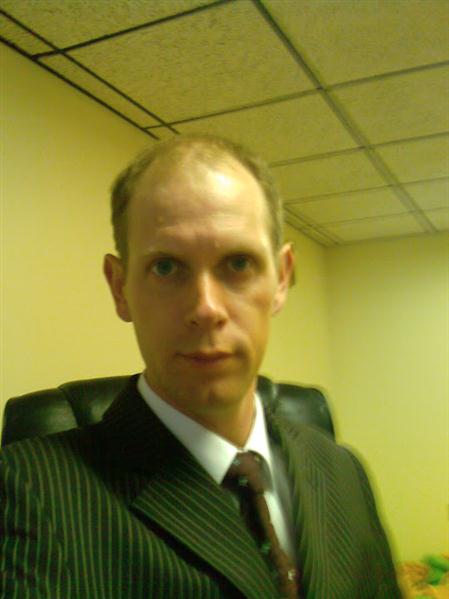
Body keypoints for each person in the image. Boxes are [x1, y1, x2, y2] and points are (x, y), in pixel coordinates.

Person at [0, 134, 401, 598]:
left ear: (281, 279)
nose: (206, 308)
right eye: (167, 267)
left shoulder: (344, 471)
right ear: (119, 288)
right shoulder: (24, 493)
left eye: (238, 263)